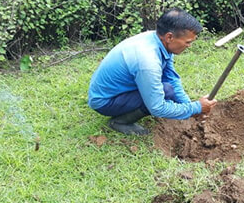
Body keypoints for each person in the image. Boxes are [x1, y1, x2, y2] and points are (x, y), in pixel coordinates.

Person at [87, 9, 217, 135]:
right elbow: (157, 108)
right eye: (188, 42)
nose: (189, 46)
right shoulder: (148, 61)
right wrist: (196, 108)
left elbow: (170, 77)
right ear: (170, 37)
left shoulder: (157, 39)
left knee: (168, 88)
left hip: (119, 90)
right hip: (105, 101)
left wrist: (189, 105)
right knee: (165, 91)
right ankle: (120, 122)